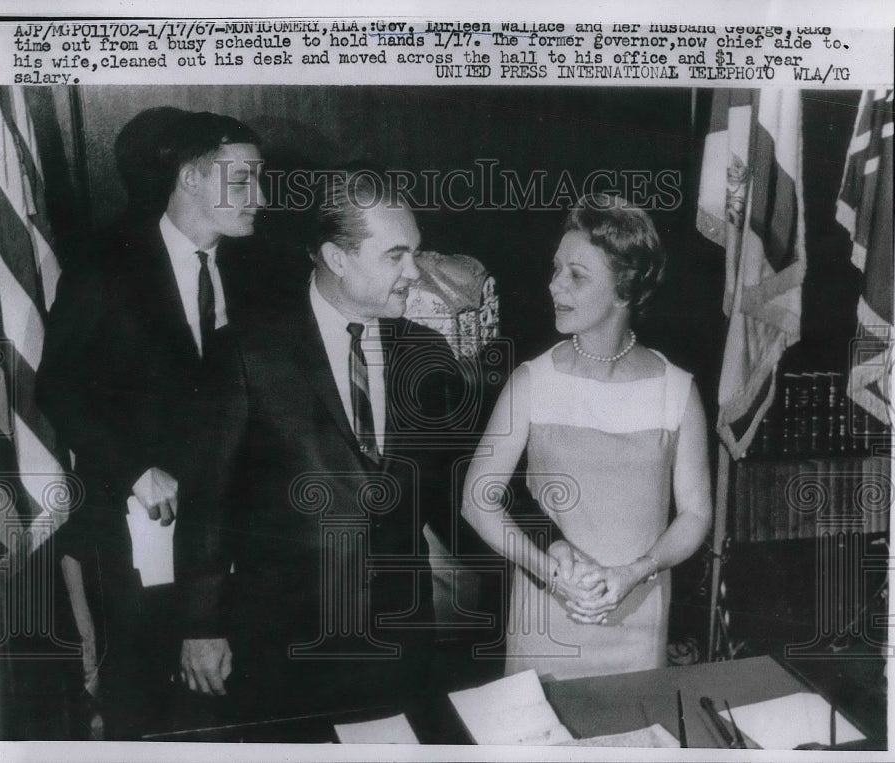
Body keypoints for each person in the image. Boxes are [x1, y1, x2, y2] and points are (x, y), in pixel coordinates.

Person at [175, 169, 463, 727]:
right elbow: (207, 500)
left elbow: (456, 491)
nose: (415, 273)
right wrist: (200, 626)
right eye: (396, 256)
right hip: (284, 641)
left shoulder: (427, 353)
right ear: (336, 258)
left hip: (402, 638)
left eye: (415, 253)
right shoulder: (247, 353)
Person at [36, 110, 266, 737]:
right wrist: (134, 468)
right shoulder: (106, 263)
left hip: (235, 536)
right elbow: (58, 386)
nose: (261, 198)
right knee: (142, 700)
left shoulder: (263, 268)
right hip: (136, 528)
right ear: (190, 178)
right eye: (242, 180)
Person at [461, 193, 712, 681]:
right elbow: (477, 500)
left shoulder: (677, 390)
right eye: (557, 269)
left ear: (625, 289)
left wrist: (636, 571)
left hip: (639, 619)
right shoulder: (532, 381)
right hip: (548, 618)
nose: (555, 285)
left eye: (576, 275)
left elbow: (697, 513)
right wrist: (552, 576)